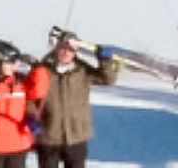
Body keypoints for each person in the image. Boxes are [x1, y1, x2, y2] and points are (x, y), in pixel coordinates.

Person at [28, 33, 122, 168]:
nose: (66, 53)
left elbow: (107, 79)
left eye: (71, 50)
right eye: (63, 48)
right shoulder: (42, 71)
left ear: (75, 52)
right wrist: (31, 116)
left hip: (76, 136)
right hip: (49, 135)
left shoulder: (82, 70)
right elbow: (30, 97)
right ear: (56, 48)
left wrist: (105, 61)